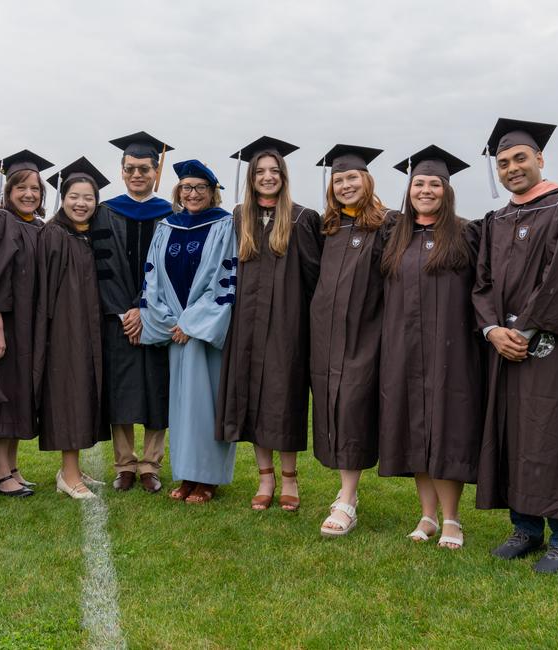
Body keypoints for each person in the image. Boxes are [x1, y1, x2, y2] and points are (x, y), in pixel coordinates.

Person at [472, 118, 558, 573]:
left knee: (554, 433)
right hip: (505, 347)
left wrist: (522, 331)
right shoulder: (497, 219)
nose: (511, 168)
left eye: (520, 158)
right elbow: (482, 282)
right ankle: (525, 530)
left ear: (540, 158)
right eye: (503, 162)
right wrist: (492, 330)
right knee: (515, 433)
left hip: (554, 346)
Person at [378, 145, 483, 549]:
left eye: (434, 184)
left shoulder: (466, 233)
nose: (425, 190)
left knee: (447, 428)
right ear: (409, 189)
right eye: (418, 183)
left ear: (447, 190)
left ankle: (453, 518)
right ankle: (427, 516)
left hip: (451, 349)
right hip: (403, 346)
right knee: (415, 428)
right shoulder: (395, 234)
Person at [216, 137, 323, 511]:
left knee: (283, 397)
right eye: (260, 171)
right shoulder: (238, 216)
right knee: (251, 398)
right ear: (251, 177)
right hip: (245, 323)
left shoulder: (302, 218)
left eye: (273, 171)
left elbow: (315, 279)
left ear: (283, 176)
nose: (266, 177)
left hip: (286, 326)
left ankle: (290, 478)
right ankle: (265, 477)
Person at [311, 144, 397, 537]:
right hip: (324, 336)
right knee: (332, 407)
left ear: (367, 180)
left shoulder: (388, 225)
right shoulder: (326, 228)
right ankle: (345, 493)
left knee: (351, 408)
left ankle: (347, 499)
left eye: (352, 177)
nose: (346, 185)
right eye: (339, 179)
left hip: (366, 335)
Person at [140, 160, 238, 504]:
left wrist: (192, 323)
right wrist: (169, 321)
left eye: (199, 188)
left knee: (207, 403)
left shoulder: (225, 226)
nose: (192, 194)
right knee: (181, 406)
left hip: (203, 332)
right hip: (174, 330)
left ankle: (207, 479)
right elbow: (152, 279)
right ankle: (186, 474)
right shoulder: (166, 226)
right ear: (178, 192)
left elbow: (225, 280)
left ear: (212, 192)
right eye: (186, 188)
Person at [90, 132, 174, 494]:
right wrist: (124, 310)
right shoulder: (105, 212)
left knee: (158, 389)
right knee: (120, 389)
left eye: (144, 168)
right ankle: (124, 465)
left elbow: (173, 271)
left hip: (158, 317)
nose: (136, 174)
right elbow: (100, 268)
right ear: (121, 172)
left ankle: (150, 465)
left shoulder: (172, 215)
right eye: (130, 169)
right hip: (117, 319)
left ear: (157, 171)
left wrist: (144, 308)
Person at [0, 150, 54, 498]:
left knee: (20, 396)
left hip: (29, 325)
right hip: (5, 324)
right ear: (8, 190)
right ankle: (1, 473)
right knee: (3, 397)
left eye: (35, 188)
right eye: (21, 187)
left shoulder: (38, 226)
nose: (29, 194)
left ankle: (14, 468)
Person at [35, 158, 112, 499]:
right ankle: (68, 475)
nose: (82, 203)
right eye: (74, 196)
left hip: (87, 328)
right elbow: (44, 290)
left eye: (89, 198)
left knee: (84, 394)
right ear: (63, 198)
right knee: (70, 396)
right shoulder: (54, 234)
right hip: (65, 330)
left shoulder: (87, 235)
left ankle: (72, 469)